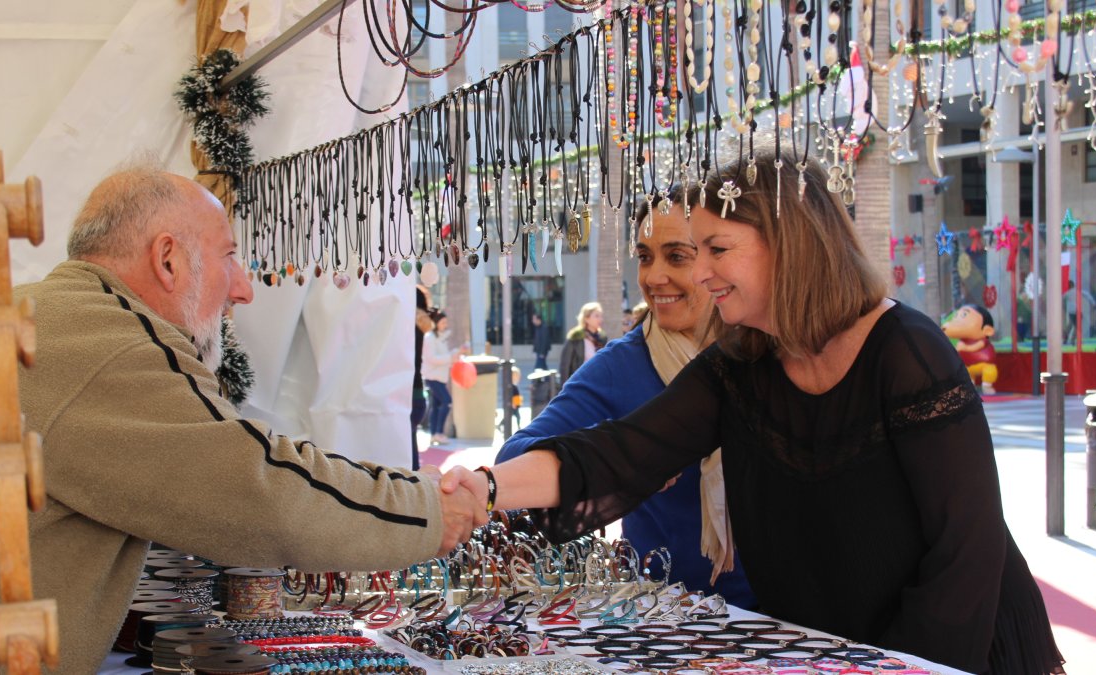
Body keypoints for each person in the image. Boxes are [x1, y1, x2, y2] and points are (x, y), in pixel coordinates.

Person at [446, 149, 1063, 674]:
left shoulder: (905, 352)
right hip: (831, 647)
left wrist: (911, 667)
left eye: (717, 249)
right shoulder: (739, 365)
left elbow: (967, 546)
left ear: (787, 246)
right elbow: (618, 454)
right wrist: (488, 484)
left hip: (955, 647)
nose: (704, 270)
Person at [0, 166, 487, 674]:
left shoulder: (49, 315)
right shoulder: (112, 345)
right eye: (228, 256)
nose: (244, 288)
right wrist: (428, 508)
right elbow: (261, 491)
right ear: (168, 260)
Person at [496, 194, 755, 608]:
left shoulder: (765, 349)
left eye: (677, 257)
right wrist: (619, 454)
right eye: (645, 257)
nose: (653, 277)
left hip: (784, 620)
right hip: (666, 620)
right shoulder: (623, 363)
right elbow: (513, 457)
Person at [422, 309, 461, 445]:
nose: (445, 325)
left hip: (439, 376)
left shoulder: (439, 337)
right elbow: (432, 358)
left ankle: (434, 434)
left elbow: (442, 357)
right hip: (433, 377)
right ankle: (438, 432)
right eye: (443, 322)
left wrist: (454, 355)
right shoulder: (429, 338)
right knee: (446, 402)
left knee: (437, 405)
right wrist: (451, 357)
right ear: (436, 322)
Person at [411, 286, 433, 468]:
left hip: (409, 393)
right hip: (418, 393)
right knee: (410, 446)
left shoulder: (405, 327)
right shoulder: (421, 327)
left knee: (408, 454)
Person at [557, 301, 606, 384]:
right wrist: (564, 388)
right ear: (586, 318)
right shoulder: (575, 337)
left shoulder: (602, 338)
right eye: (596, 316)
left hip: (599, 383)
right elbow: (565, 365)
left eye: (601, 316)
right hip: (580, 383)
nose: (600, 319)